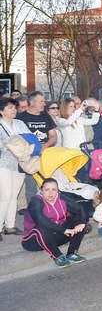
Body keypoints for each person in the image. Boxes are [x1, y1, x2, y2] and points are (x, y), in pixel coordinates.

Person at [21, 178, 89, 266]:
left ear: (58, 191)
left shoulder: (60, 197)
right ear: (41, 191)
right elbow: (40, 220)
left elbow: (80, 209)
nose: (50, 193)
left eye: (53, 189)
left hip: (56, 236)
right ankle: (58, 256)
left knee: (80, 220)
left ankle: (72, 253)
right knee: (40, 228)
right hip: (34, 241)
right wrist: (63, 230)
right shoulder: (36, 201)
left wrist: (82, 223)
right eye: (47, 190)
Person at [0, 96, 32, 237]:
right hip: (3, 163)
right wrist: (9, 146)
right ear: (1, 111)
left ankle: (10, 226)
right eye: (10, 108)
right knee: (5, 195)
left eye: (14, 107)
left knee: (13, 195)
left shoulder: (19, 123)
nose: (14, 110)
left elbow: (30, 138)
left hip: (20, 162)